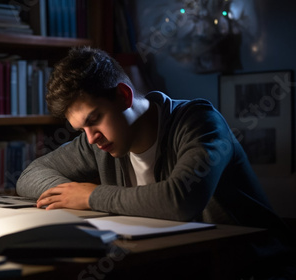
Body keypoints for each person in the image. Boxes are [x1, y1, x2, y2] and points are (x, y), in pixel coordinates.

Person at [16, 47, 295, 275]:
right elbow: (31, 175)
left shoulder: (200, 122)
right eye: (81, 130)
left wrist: (91, 197)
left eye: (94, 120)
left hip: (254, 268)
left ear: (123, 96)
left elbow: (179, 201)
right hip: (179, 265)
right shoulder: (98, 143)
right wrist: (71, 194)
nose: (90, 139)